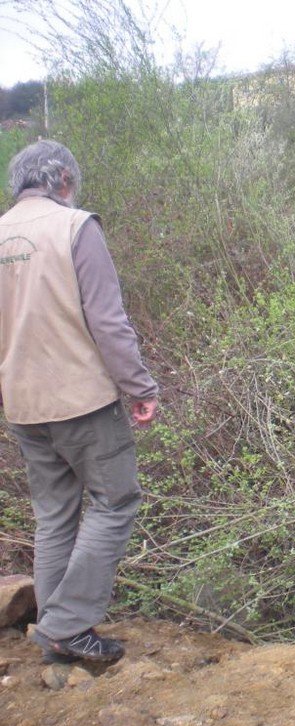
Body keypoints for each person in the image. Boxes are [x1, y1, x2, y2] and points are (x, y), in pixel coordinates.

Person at [0, 140, 159, 664]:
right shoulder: (75, 226)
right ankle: (66, 628)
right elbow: (107, 320)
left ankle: (55, 624)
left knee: (54, 516)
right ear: (64, 178)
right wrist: (139, 387)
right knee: (116, 503)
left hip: (22, 403)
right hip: (80, 401)